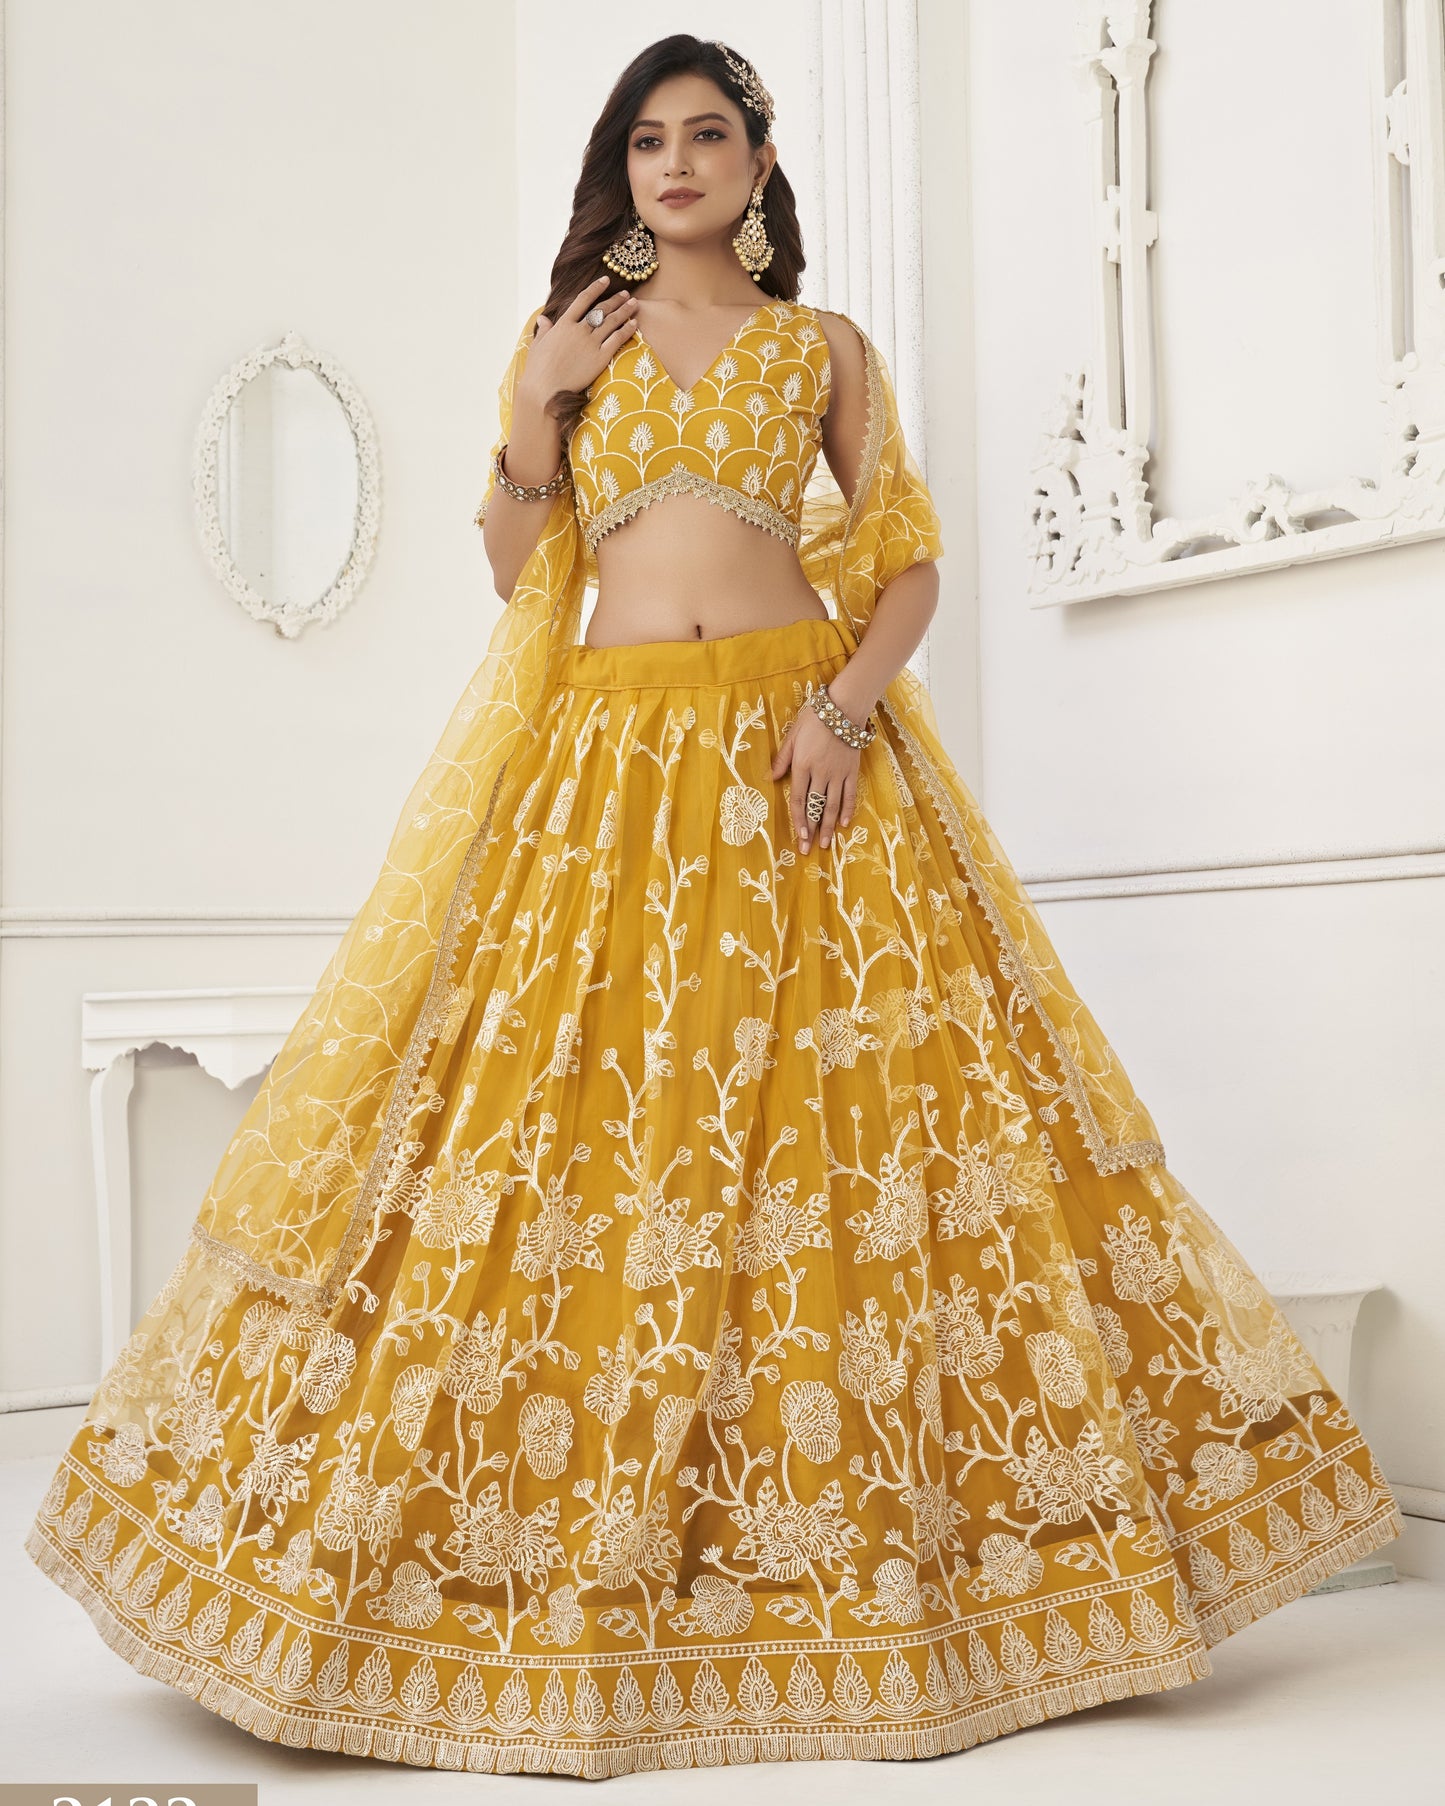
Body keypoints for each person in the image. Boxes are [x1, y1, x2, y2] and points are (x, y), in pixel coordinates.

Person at [28, 34, 1402, 1781]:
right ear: (622, 171)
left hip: (801, 767)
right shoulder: (574, 350)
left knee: (849, 1140)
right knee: (577, 1136)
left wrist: (838, 715)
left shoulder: (820, 351)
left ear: (756, 170)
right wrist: (530, 409)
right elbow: (521, 574)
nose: (675, 164)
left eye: (709, 137)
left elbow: (901, 556)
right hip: (604, 774)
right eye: (648, 141)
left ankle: (890, 1579)